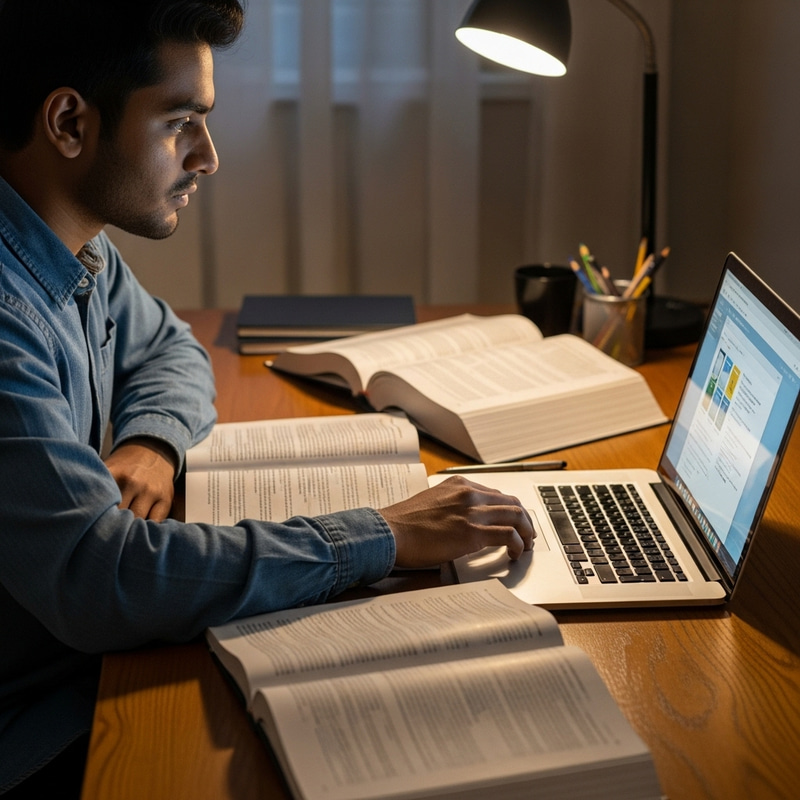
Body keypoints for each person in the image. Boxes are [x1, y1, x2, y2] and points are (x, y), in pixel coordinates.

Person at [0, 0, 534, 795]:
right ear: (70, 123)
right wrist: (379, 536)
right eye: (180, 121)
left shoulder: (75, 248)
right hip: (36, 723)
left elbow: (172, 349)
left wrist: (152, 440)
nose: (208, 156)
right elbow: (102, 578)